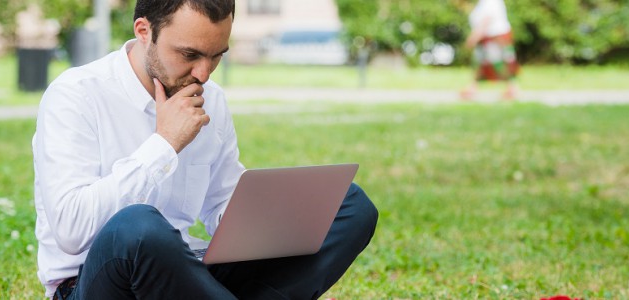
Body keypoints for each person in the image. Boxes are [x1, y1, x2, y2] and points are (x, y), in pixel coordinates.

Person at [31, 0, 379, 299]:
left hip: (187, 274)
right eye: (189, 54)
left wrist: (266, 223)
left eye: (216, 56)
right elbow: (71, 231)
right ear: (144, 30)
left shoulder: (211, 98)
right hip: (99, 283)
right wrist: (165, 144)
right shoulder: (76, 95)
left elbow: (222, 204)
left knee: (350, 206)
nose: (203, 74)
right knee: (138, 228)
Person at [460, 0, 520, 100]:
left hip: (495, 37)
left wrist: (474, 37)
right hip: (485, 38)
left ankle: (512, 88)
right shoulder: (482, 2)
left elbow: (486, 20)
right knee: (479, 64)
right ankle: (472, 88)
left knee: (500, 64)